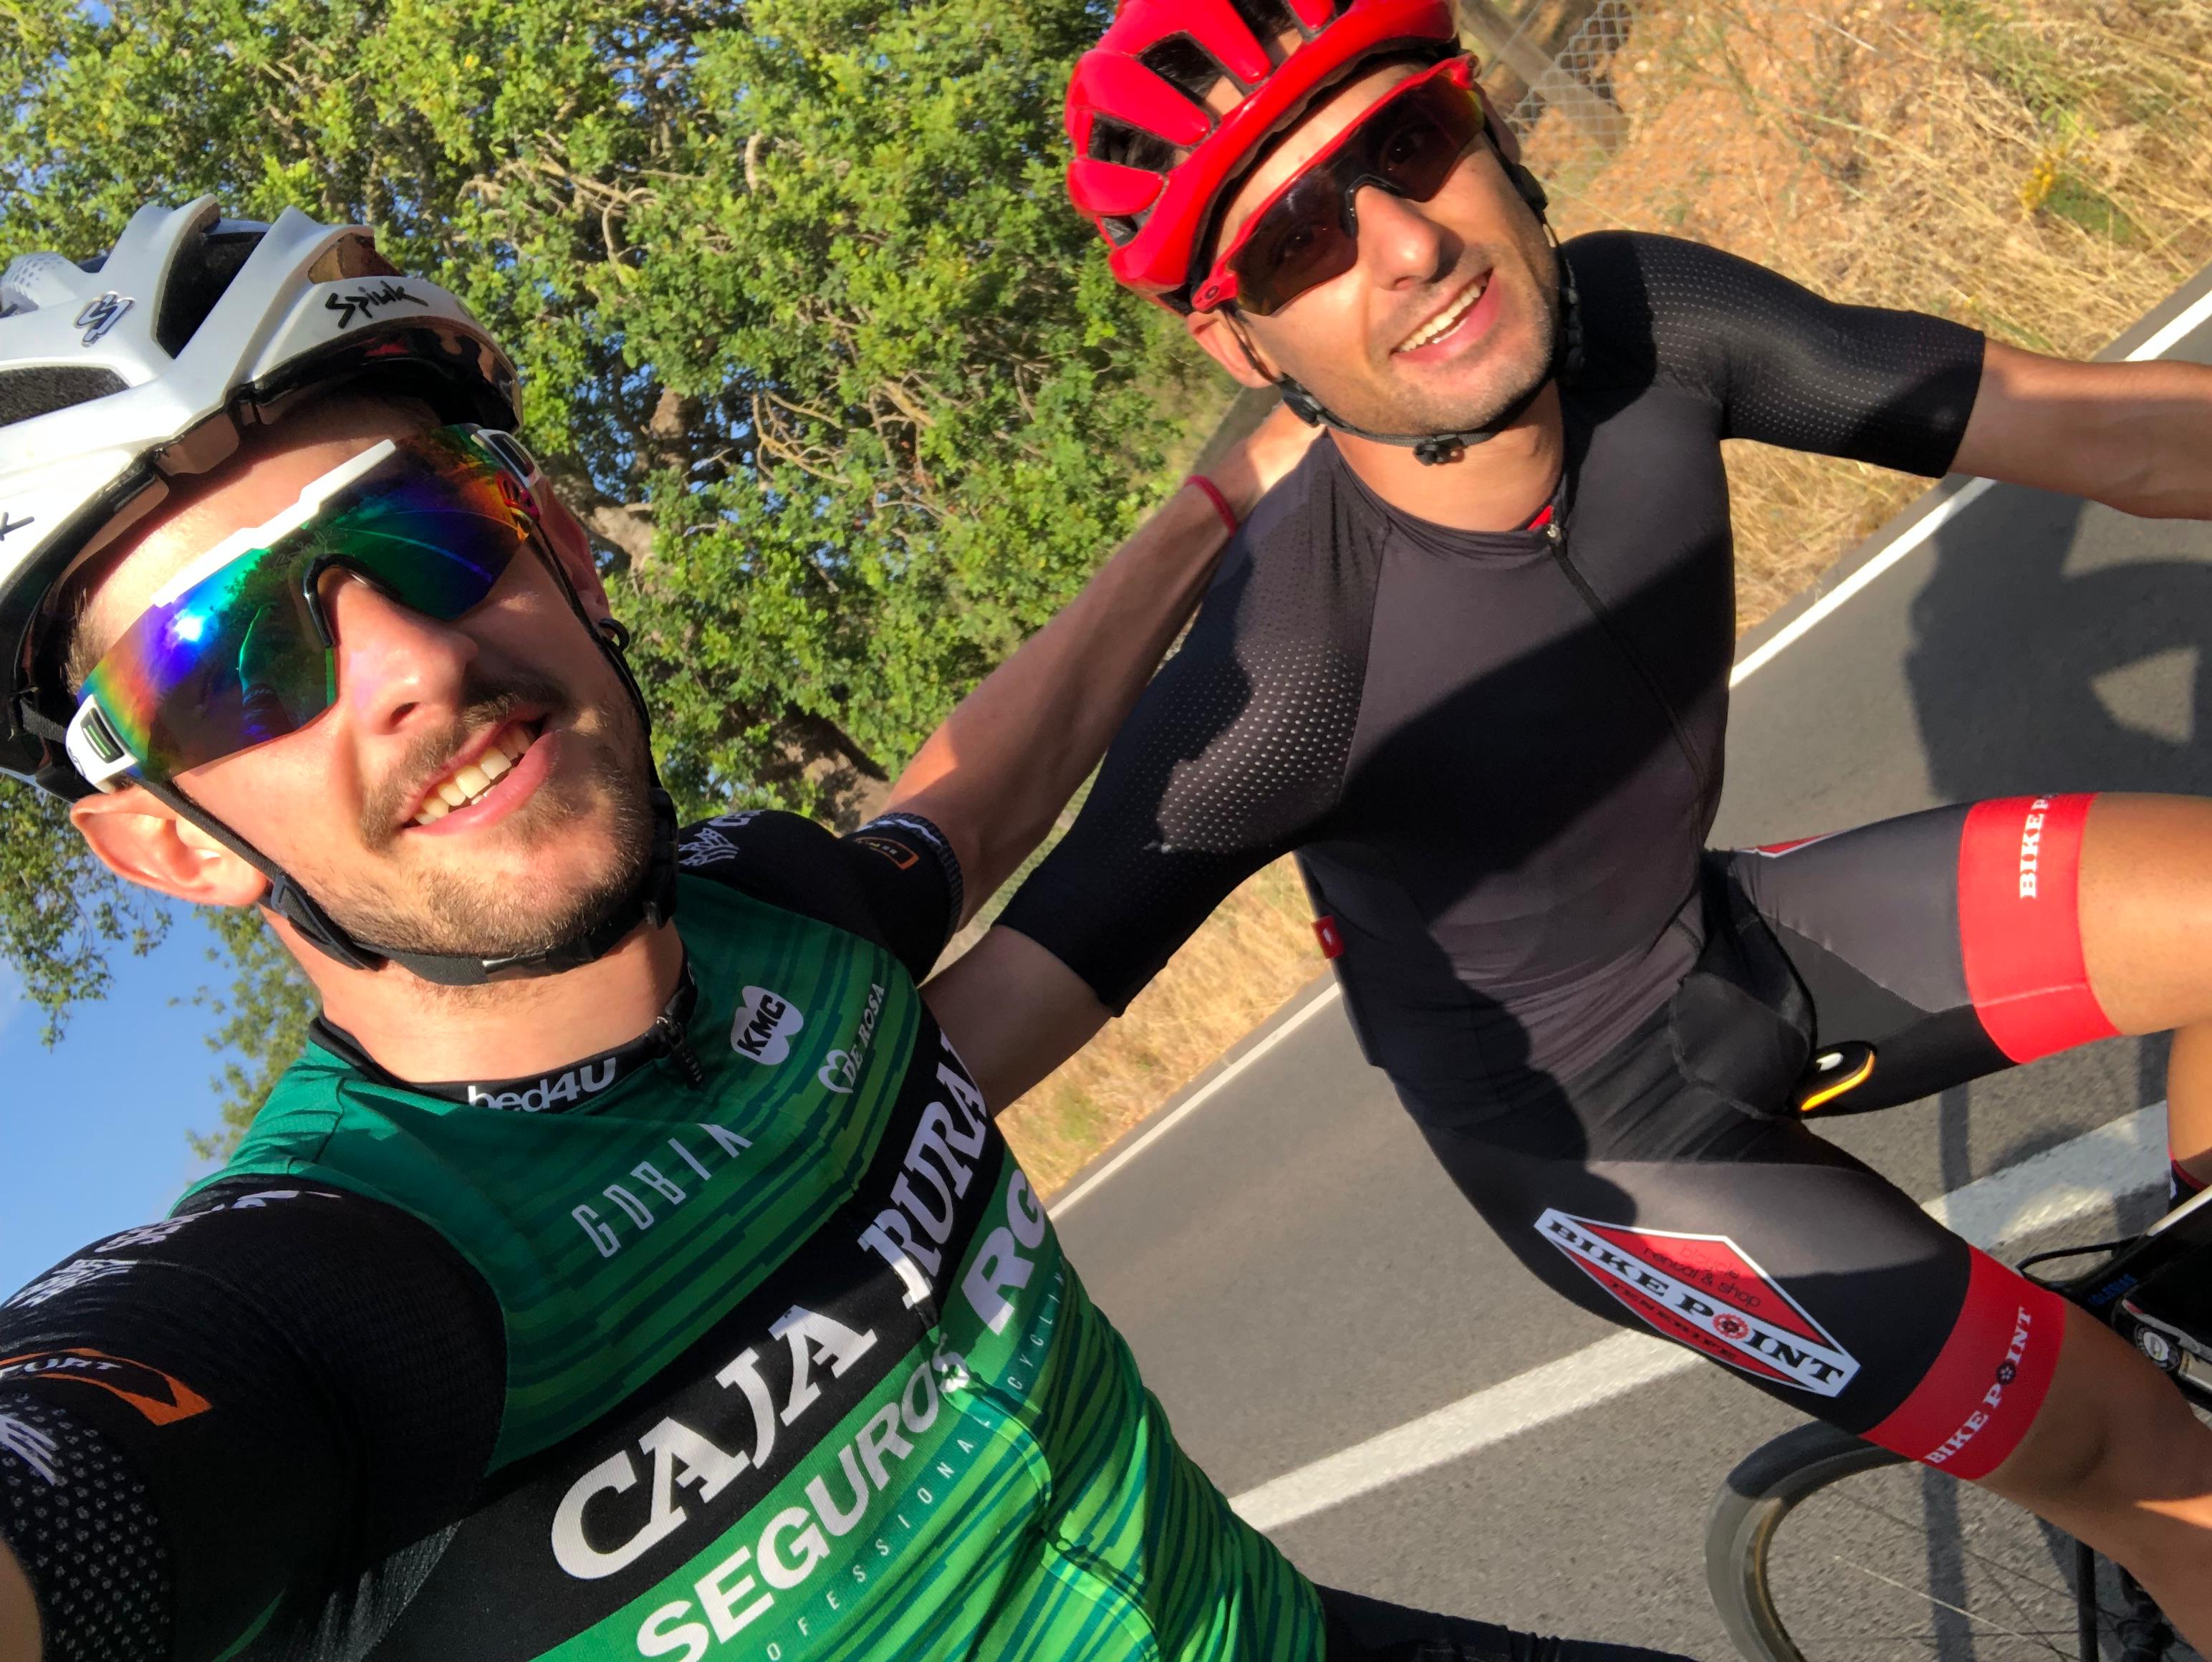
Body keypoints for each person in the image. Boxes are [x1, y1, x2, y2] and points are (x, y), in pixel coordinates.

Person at [0, 201, 1699, 1662]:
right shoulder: (331, 1281)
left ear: (570, 554)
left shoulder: (778, 918)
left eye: (427, 533)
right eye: (232, 662)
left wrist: (1219, 498)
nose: (408, 667)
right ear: (161, 838)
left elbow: (981, 792)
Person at [923, 0, 2212, 1643]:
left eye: (1403, 148)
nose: (1400, 245)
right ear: (1242, 345)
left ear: (1487, 134)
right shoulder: (1287, 666)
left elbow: (2109, 428)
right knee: (2146, 1460)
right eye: (1297, 237)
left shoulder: (1641, 316)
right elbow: (947, 1052)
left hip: (1742, 938)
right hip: (1607, 1146)